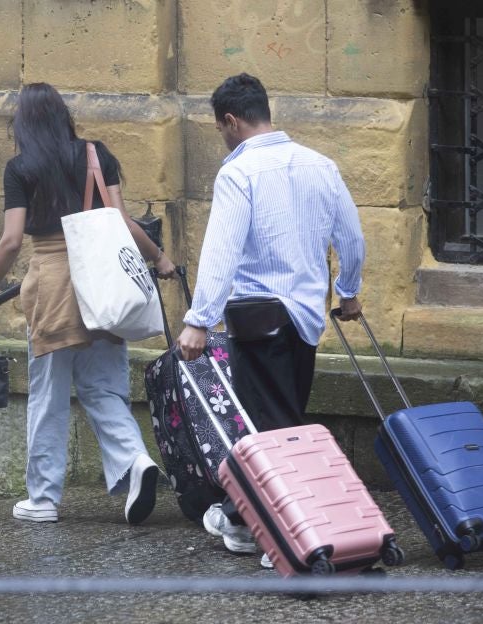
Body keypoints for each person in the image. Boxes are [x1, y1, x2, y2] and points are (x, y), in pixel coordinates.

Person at [175, 73, 366, 567]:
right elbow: (351, 237)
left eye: (221, 129)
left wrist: (199, 319)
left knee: (273, 431)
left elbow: (221, 250)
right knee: (279, 420)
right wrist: (348, 292)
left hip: (258, 318)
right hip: (305, 318)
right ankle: (241, 518)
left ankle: (290, 539)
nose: (223, 137)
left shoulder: (239, 173)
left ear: (231, 121)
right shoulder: (320, 165)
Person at [0, 82, 176, 526]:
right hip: (102, 281)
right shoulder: (97, 155)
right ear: (64, 116)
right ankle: (135, 460)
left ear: (23, 124)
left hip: (54, 287)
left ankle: (43, 499)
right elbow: (123, 222)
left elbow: (10, 242)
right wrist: (159, 258)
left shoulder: (20, 168)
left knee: (49, 393)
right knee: (104, 388)